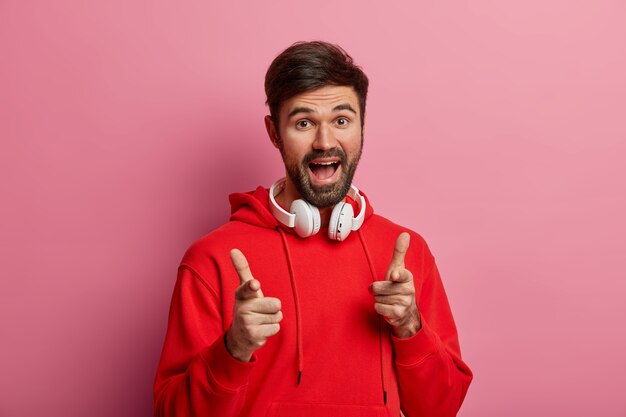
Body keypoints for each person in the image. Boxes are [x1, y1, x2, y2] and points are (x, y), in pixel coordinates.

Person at [154, 41, 472, 417]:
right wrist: (234, 348)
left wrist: (410, 326)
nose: (324, 142)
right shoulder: (213, 259)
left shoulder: (406, 252)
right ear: (274, 133)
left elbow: (441, 409)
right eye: (304, 123)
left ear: (361, 127)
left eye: (341, 120)